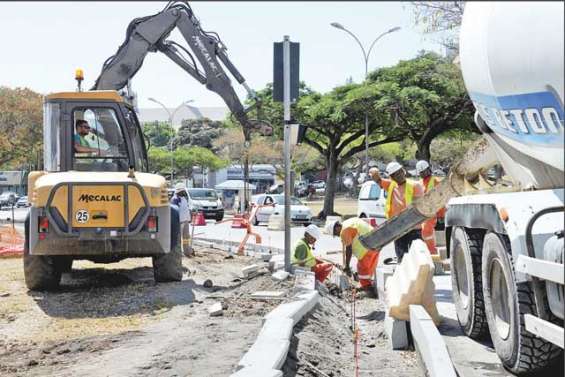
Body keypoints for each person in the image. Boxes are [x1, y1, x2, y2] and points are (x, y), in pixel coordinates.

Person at [368, 162, 424, 262]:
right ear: (392, 177)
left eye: (400, 172)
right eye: (395, 174)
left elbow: (418, 207)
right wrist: (374, 171)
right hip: (398, 229)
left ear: (403, 171)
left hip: (413, 228)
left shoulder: (415, 186)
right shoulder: (391, 185)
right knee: (402, 258)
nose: (399, 176)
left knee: (416, 258)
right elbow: (377, 179)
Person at [325, 218, 379, 298]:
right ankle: (369, 286)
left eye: (335, 234)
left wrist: (347, 266)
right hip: (376, 242)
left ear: (336, 227)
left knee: (362, 269)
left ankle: (368, 291)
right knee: (369, 269)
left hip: (366, 248)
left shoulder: (344, 231)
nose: (337, 235)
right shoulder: (349, 222)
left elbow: (348, 249)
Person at [415, 160, 446, 256]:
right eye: (421, 172)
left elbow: (441, 199)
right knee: (422, 233)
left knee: (426, 232)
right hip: (422, 213)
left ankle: (432, 252)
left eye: (424, 171)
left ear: (429, 169)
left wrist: (441, 215)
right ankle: (427, 252)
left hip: (432, 213)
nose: (423, 174)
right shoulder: (420, 183)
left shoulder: (435, 181)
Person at [170, 184, 191, 256]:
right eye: (181, 190)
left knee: (186, 237)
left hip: (185, 220)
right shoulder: (175, 199)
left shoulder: (184, 198)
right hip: (179, 221)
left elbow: (185, 209)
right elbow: (175, 210)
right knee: (178, 238)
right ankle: (179, 252)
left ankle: (187, 251)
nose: (183, 192)